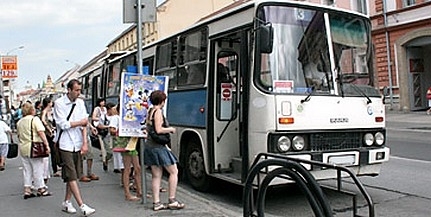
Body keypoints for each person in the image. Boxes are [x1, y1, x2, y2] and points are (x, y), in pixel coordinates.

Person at [53, 79, 95, 216]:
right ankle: (82, 205)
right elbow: (63, 124)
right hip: (64, 143)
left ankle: (66, 201)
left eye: (79, 90)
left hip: (77, 143)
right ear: (69, 90)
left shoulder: (80, 103)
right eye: (76, 90)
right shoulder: (59, 104)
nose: (79, 93)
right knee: (71, 175)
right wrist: (80, 122)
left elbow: (84, 124)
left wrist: (84, 143)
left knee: (74, 175)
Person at [144, 90, 185, 211]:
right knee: (174, 171)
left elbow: (150, 129)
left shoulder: (150, 111)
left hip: (151, 145)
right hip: (158, 147)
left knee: (156, 175)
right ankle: (172, 200)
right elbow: (159, 129)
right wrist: (171, 129)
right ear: (162, 101)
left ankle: (157, 203)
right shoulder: (158, 112)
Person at [16, 102, 51, 199]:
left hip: (23, 148)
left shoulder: (19, 122)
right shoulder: (34, 119)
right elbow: (41, 132)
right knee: (38, 168)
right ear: (32, 110)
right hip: (34, 147)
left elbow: (19, 135)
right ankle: (41, 189)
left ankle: (27, 189)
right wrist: (47, 145)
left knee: (27, 170)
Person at [108, 102, 141, 201]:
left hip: (132, 144)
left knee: (137, 168)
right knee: (127, 169)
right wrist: (123, 130)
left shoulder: (129, 117)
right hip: (124, 144)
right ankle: (127, 194)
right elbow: (112, 130)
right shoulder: (116, 118)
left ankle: (139, 191)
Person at [91, 98, 111, 171]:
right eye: (102, 101)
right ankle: (104, 161)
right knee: (103, 148)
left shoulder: (105, 109)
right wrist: (98, 119)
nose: (103, 102)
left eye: (104, 101)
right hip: (100, 130)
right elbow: (93, 118)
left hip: (106, 129)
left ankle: (106, 159)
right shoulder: (97, 109)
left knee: (109, 148)